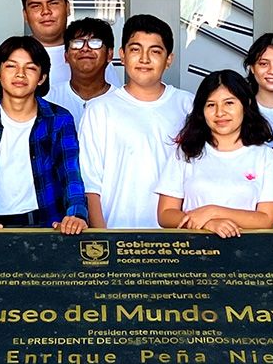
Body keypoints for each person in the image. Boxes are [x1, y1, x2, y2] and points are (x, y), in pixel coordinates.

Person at [0, 36, 90, 238]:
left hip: (45, 224)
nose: (20, 74)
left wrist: (76, 215)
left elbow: (70, 174)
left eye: (30, 68)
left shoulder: (59, 119)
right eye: (11, 66)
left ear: (42, 77)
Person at [80, 15, 194, 230]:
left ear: (169, 59)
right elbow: (90, 182)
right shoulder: (100, 109)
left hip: (177, 238)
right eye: (135, 49)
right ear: (122, 55)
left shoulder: (188, 105)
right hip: (117, 232)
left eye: (155, 51)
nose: (144, 59)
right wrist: (101, 236)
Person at [157, 69, 273, 236]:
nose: (220, 112)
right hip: (193, 252)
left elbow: (267, 219)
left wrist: (212, 211)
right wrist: (207, 224)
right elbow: (165, 214)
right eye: (211, 105)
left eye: (229, 103)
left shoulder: (265, 157)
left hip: (248, 255)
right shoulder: (186, 152)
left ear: (247, 104)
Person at [21, 0, 122, 95]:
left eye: (53, 3)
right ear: (25, 15)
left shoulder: (95, 58)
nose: (46, 11)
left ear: (68, 8)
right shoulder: (13, 55)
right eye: (36, 6)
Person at [48, 16, 116, 126]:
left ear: (110, 54)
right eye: (77, 43)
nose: (85, 48)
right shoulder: (48, 99)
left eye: (95, 42)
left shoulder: (122, 102)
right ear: (66, 56)